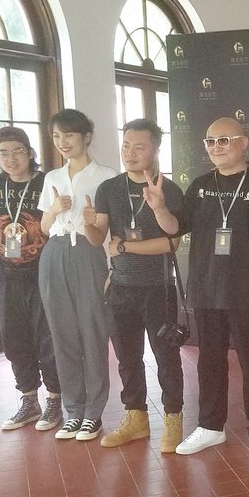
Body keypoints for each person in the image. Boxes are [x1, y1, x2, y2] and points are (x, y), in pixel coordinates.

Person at [151, 117, 249, 462]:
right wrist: (159, 208)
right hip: (207, 289)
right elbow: (175, 228)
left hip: (248, 289)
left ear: (243, 143)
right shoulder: (201, 185)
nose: (216, 148)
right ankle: (210, 425)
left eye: (224, 140)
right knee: (209, 360)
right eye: (210, 142)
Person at [85, 119, 186, 452]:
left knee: (166, 357)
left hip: (158, 287)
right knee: (127, 358)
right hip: (120, 287)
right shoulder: (109, 189)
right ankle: (136, 418)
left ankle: (173, 418)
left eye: (139, 146)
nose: (130, 152)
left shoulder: (169, 190)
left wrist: (126, 246)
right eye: (126, 145)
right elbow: (100, 238)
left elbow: (170, 242)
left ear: (155, 149)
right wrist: (88, 226)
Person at [37, 109, 118, 441]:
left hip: (88, 252)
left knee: (93, 332)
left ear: (86, 137)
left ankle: (93, 414)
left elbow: (106, 231)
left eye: (68, 135)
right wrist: (54, 210)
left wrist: (90, 221)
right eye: (57, 136)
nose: (62, 142)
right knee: (62, 335)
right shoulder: (52, 178)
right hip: (54, 254)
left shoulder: (107, 176)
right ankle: (73, 411)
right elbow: (44, 228)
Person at [0, 127, 62, 431]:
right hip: (7, 276)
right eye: (3, 153)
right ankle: (29, 399)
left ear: (30, 153)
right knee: (14, 338)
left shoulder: (46, 182)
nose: (11, 158)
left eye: (17, 151)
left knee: (48, 338)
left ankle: (55, 399)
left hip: (43, 274)